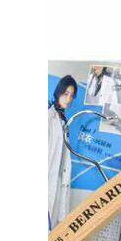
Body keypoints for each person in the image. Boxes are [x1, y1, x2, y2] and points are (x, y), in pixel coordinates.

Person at [48, 75, 77, 229]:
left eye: (71, 95)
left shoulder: (62, 120)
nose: (69, 99)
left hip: (57, 181)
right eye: (66, 94)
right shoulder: (49, 116)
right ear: (59, 92)